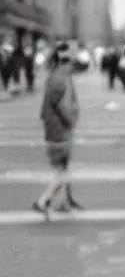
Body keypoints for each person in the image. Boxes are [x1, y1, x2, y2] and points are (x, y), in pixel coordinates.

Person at [32, 41, 84, 216]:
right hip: (59, 130)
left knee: (62, 169)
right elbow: (62, 107)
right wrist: (71, 121)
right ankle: (43, 201)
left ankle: (63, 203)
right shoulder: (59, 79)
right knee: (61, 173)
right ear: (66, 61)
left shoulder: (60, 77)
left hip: (59, 129)